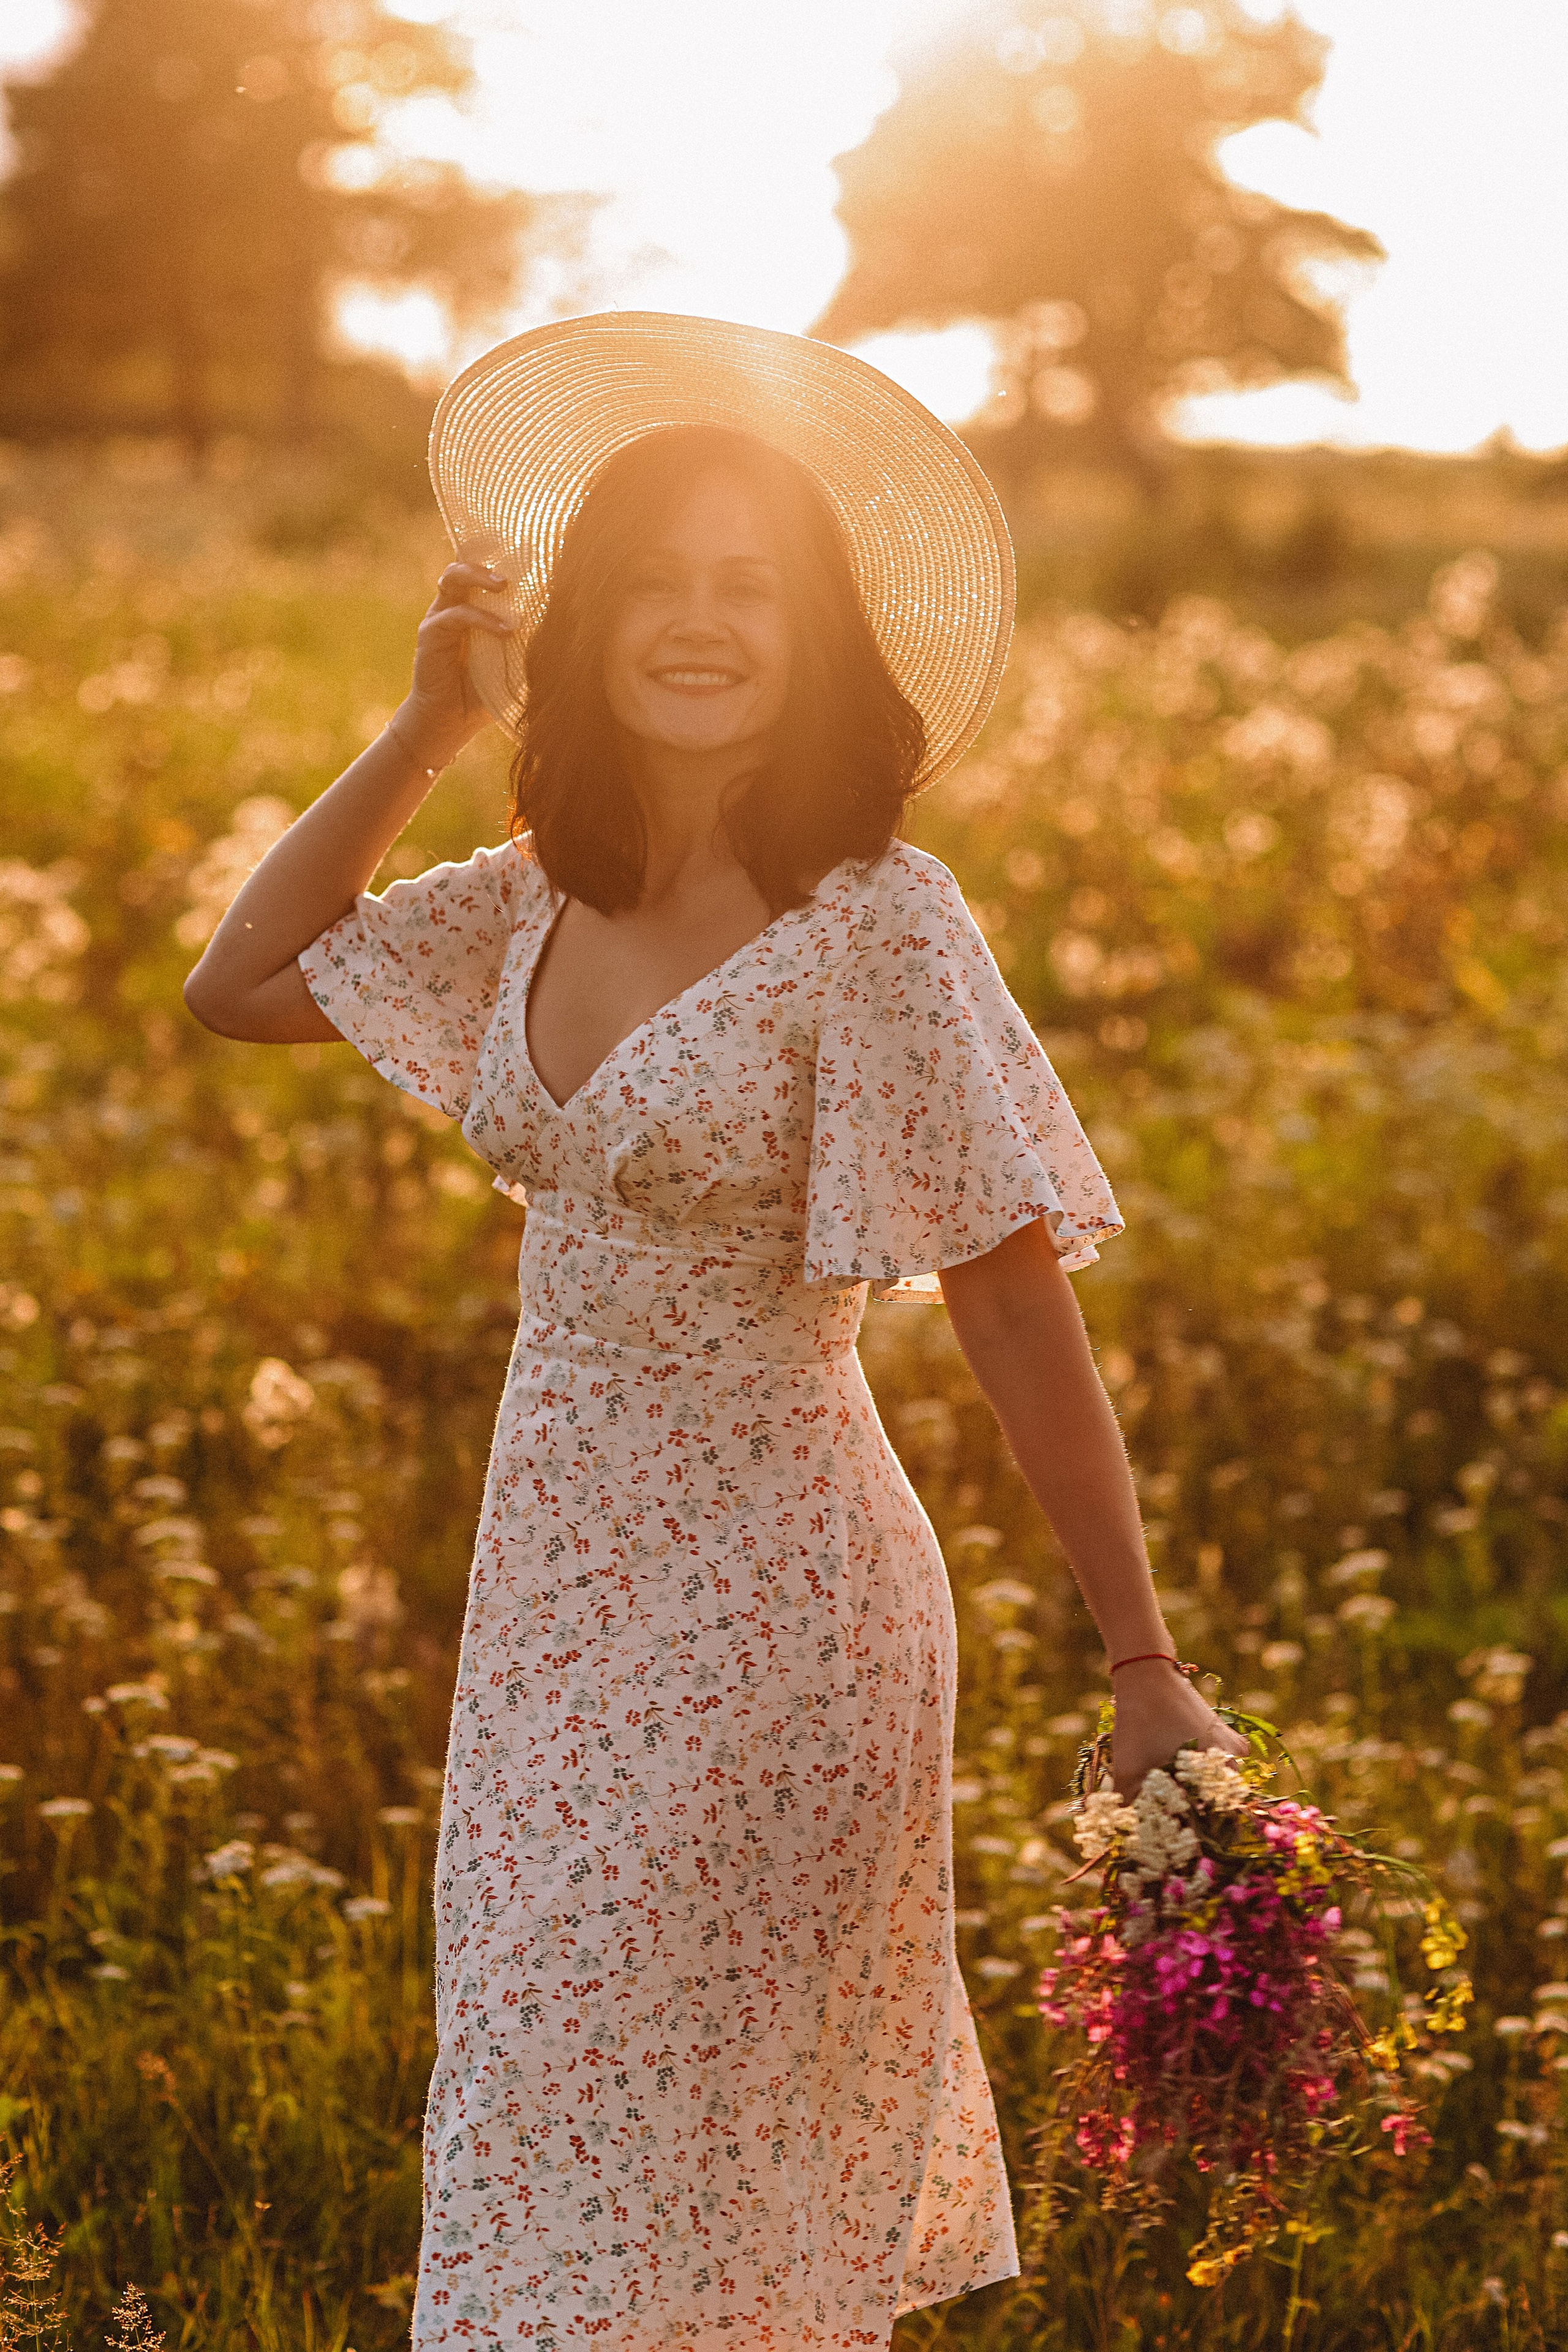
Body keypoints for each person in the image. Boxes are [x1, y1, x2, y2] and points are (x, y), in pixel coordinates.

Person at [183, 314, 1245, 2352]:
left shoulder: (879, 919)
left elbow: (1012, 1303)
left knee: (710, 2167)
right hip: (555, 1592)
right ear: (578, 628)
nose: (696, 624)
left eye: (745, 589)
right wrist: (419, 727)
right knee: (533, 2096)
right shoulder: (534, 892)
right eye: (653, 585)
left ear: (820, 634)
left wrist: (1143, 1660)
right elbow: (245, 982)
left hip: (783, 1601)